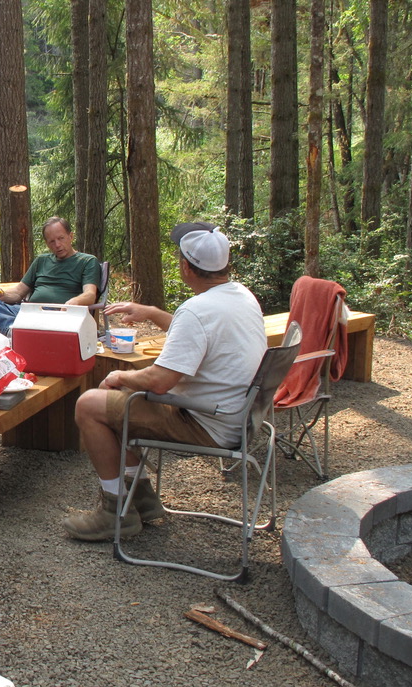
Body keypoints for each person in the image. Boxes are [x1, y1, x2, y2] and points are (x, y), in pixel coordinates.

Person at [62, 222, 266, 541]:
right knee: (120, 399)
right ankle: (140, 497)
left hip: (205, 422)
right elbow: (200, 333)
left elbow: (159, 382)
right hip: (238, 417)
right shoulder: (241, 296)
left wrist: (118, 375)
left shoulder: (197, 310)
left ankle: (116, 513)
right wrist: (153, 313)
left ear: (186, 267)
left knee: (89, 405)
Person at [0, 216, 102, 336]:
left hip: (59, 314)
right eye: (52, 241)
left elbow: (90, 295)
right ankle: (12, 329)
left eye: (61, 238)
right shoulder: (41, 261)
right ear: (47, 244)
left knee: (17, 318)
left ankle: (18, 331)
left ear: (71, 236)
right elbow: (18, 293)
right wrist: (2, 294)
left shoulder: (87, 261)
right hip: (29, 311)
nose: (57, 245)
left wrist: (72, 303)